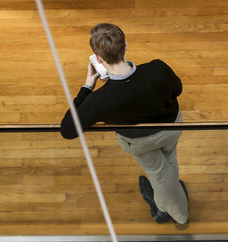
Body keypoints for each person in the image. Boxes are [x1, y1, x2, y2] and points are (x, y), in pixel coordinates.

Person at [60, 23, 188, 226]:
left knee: (158, 176)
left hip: (138, 142)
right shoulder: (158, 69)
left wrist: (87, 87)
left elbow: (67, 130)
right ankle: (171, 194)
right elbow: (177, 89)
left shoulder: (99, 99)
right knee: (169, 160)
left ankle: (172, 212)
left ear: (99, 59)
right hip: (171, 128)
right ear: (125, 45)